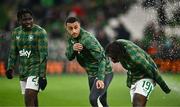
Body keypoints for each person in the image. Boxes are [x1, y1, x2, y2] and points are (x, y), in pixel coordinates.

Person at [105, 39, 171, 107]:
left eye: (112, 57)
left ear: (118, 54)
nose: (112, 60)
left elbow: (152, 71)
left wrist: (165, 87)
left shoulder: (136, 58)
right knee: (137, 104)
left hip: (146, 75)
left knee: (137, 102)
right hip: (135, 78)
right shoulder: (118, 46)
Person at [65, 16, 113, 107]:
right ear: (66, 28)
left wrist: (100, 78)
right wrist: (73, 49)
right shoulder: (71, 39)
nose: (74, 31)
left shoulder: (87, 39)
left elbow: (102, 59)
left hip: (104, 71)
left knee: (94, 99)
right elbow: (69, 57)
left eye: (76, 27)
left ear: (80, 26)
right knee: (102, 102)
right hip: (91, 73)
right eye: (70, 28)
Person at [5, 9, 48, 107]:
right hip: (23, 71)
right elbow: (13, 52)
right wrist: (10, 68)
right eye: (25, 19)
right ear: (19, 21)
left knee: (28, 98)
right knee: (33, 101)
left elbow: (44, 55)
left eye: (30, 19)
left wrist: (43, 76)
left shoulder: (40, 32)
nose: (28, 21)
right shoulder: (16, 32)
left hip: (36, 69)